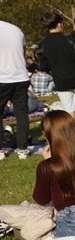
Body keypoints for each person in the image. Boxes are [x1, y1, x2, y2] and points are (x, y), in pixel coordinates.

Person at [37, 12, 75, 121]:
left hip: (60, 81)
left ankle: (72, 130)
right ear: (59, 24)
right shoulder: (69, 40)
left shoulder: (43, 44)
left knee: (69, 111)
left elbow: (43, 66)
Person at [0, 19, 31, 151]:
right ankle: (23, 148)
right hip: (20, 76)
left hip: (2, 77)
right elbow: (22, 53)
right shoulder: (16, 29)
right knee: (21, 113)